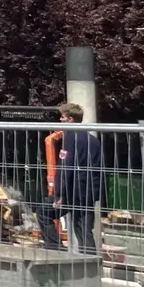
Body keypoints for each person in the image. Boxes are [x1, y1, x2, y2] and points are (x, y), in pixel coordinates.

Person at [53, 102, 104, 254]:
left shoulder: (70, 139)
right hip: (88, 192)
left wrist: (59, 193)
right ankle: (91, 263)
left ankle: (54, 250)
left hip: (73, 192)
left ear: (71, 120)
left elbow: (65, 166)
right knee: (84, 228)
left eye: (63, 117)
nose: (60, 120)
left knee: (44, 213)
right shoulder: (93, 141)